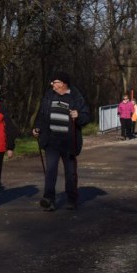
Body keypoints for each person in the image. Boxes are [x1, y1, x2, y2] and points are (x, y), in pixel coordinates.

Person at [32, 71, 90, 211]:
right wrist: (37, 128)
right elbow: (42, 115)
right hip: (51, 140)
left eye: (55, 82)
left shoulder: (75, 97)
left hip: (69, 141)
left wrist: (79, 115)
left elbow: (86, 116)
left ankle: (71, 199)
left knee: (70, 172)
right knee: (51, 170)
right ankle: (49, 199)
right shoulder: (49, 96)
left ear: (63, 83)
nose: (53, 85)